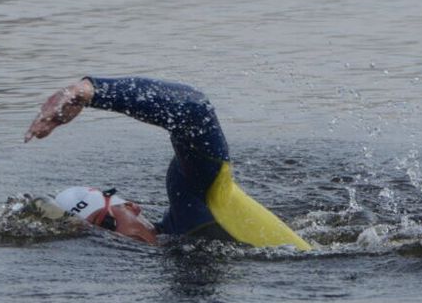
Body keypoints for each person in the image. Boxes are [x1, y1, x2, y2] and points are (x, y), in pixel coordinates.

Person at [24, 76, 312, 250]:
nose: (111, 239)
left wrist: (90, 92)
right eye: (96, 237)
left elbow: (195, 110)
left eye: (107, 224)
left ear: (131, 207)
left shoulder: (193, 199)